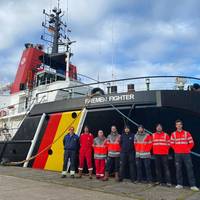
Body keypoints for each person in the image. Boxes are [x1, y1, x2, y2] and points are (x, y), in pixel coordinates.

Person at [170, 119, 199, 191]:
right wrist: (176, 149)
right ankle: (179, 184)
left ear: (182, 125)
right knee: (178, 169)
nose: (179, 126)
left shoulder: (187, 133)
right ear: (176, 126)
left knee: (189, 169)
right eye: (177, 124)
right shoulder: (173, 134)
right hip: (177, 154)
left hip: (186, 154)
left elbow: (192, 143)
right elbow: (171, 143)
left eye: (180, 124)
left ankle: (193, 185)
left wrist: (188, 149)